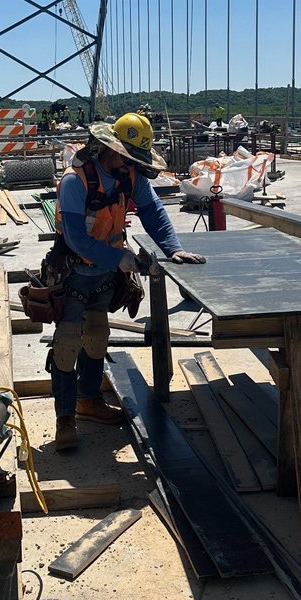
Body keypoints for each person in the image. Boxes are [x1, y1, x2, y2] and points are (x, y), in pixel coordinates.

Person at [50, 113, 206, 450]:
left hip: (104, 276)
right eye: (129, 156)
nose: (133, 165)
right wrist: (121, 260)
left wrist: (173, 248)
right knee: (66, 345)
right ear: (111, 149)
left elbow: (152, 211)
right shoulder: (76, 181)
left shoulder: (128, 175)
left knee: (96, 337)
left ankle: (88, 401)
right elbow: (76, 238)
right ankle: (64, 420)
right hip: (74, 272)